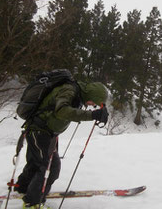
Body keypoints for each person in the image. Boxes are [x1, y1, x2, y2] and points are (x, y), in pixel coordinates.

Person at [14, 79, 109, 209]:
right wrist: (92, 115)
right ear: (91, 95)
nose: (92, 105)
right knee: (50, 168)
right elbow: (62, 111)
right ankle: (33, 203)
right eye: (94, 102)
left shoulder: (77, 94)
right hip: (40, 130)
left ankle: (22, 188)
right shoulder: (69, 90)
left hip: (46, 132)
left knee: (37, 162)